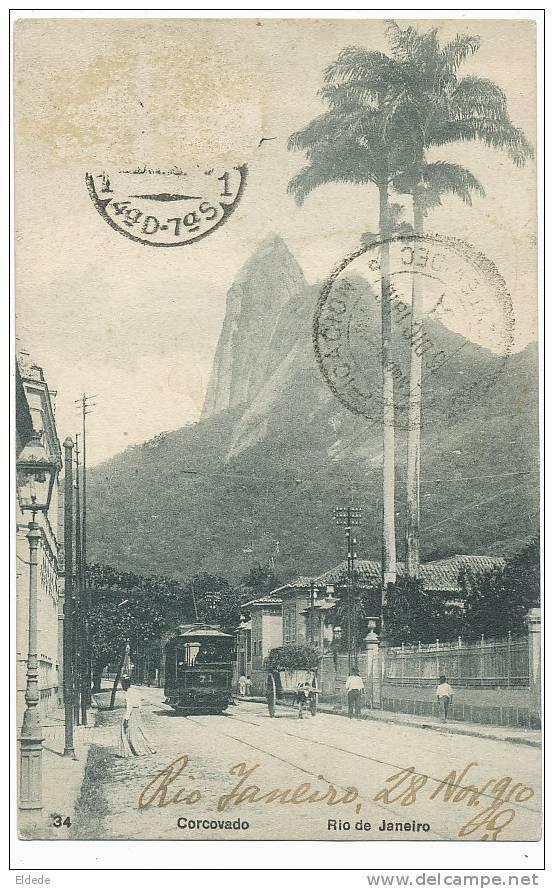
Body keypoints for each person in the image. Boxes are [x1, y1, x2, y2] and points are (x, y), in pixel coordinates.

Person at [117, 678, 156, 758]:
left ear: (125, 684)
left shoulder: (128, 693)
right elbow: (139, 703)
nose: (122, 686)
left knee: (127, 731)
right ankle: (147, 747)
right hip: (137, 712)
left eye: (122, 684)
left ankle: (130, 750)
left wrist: (126, 718)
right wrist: (138, 712)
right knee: (139, 731)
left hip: (131, 713)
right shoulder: (135, 691)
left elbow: (129, 706)